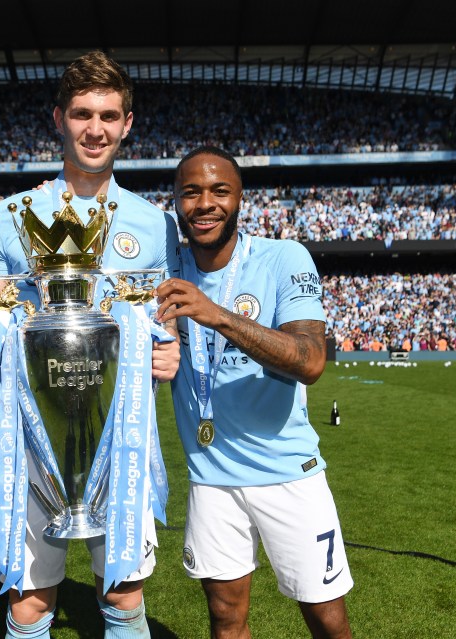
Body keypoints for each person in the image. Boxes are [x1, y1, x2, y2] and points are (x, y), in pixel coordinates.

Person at [0, 50, 181, 639]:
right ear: (58, 118)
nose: (96, 129)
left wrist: (170, 351)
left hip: (122, 433)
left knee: (122, 591)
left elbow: (165, 326)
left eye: (109, 116)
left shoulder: (152, 223)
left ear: (128, 124)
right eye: (83, 114)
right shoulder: (8, 219)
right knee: (30, 604)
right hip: (32, 440)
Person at [154, 146, 354, 639]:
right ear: (176, 202)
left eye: (220, 190)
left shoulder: (283, 257)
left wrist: (217, 314)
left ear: (241, 198)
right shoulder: (164, 268)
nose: (205, 203)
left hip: (289, 473)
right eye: (191, 192)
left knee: (328, 620)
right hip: (210, 477)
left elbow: (311, 361)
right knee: (225, 619)